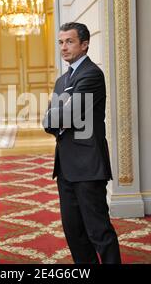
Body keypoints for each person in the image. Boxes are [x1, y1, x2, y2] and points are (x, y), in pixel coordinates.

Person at [43, 22, 121, 264]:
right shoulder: (62, 80)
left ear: (85, 44)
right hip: (66, 167)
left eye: (69, 41)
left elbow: (68, 115)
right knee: (74, 232)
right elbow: (48, 121)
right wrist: (58, 117)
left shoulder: (91, 75)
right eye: (60, 42)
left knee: (98, 231)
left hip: (88, 166)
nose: (63, 47)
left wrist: (60, 116)